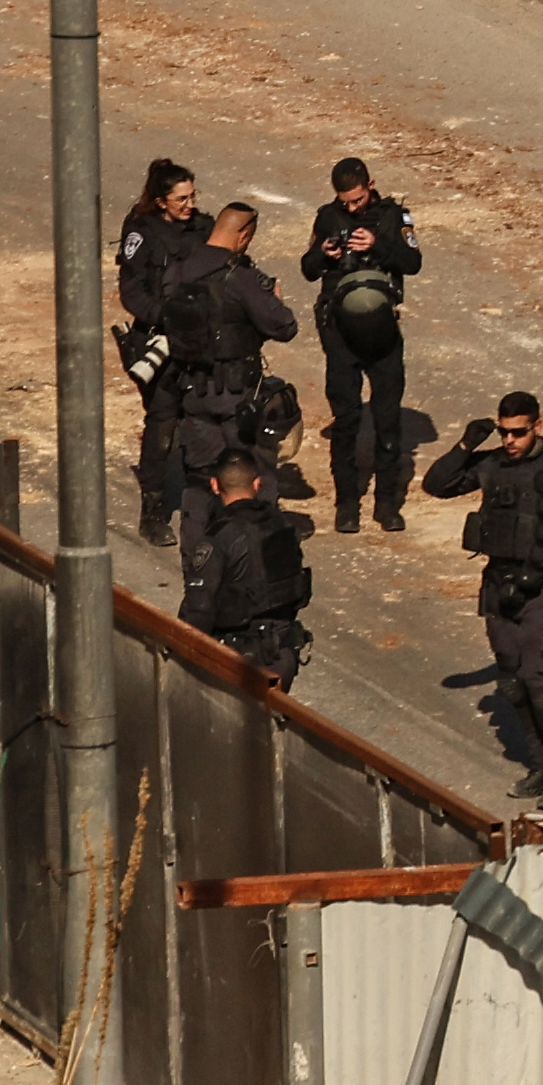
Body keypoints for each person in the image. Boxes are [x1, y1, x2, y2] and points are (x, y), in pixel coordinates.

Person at [416, 393, 543, 809]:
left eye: (519, 432)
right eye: (504, 432)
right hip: (497, 587)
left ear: (537, 426)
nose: (510, 440)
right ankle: (540, 766)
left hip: (542, 590)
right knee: (512, 682)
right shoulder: (491, 465)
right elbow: (436, 485)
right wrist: (464, 446)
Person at [148, 202, 298, 550]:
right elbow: (285, 326)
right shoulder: (242, 278)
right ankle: (257, 556)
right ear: (243, 236)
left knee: (200, 483)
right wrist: (274, 300)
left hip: (193, 392)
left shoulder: (177, 272)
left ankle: (197, 567)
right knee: (255, 476)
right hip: (239, 396)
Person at [301, 162, 422, 535]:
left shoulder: (394, 216)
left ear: (371, 185)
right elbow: (307, 269)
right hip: (340, 331)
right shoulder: (327, 217)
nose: (352, 208)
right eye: (346, 202)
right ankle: (347, 503)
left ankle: (387, 503)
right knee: (347, 419)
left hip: (381, 329)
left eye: (358, 200)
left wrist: (377, 245)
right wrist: (325, 253)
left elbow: (413, 262)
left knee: (387, 419)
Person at [112, 160, 206, 499]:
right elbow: (132, 291)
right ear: (161, 200)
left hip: (197, 338)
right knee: (162, 420)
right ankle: (153, 503)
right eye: (181, 199)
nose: (189, 205)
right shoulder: (142, 232)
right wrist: (166, 315)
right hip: (157, 338)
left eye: (192, 196)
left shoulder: (202, 228)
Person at [183, 447, 311, 689]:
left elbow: (198, 610)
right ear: (257, 483)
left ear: (214, 485)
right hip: (282, 656)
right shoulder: (284, 527)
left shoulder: (217, 538)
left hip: (236, 662)